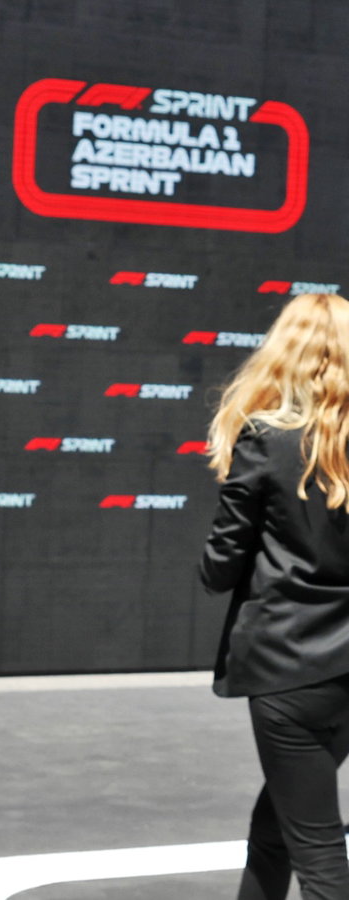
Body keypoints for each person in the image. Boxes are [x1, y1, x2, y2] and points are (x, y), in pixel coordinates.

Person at [201, 291, 349, 900]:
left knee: (317, 855)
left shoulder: (267, 439)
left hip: (289, 667)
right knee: (276, 830)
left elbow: (218, 568)